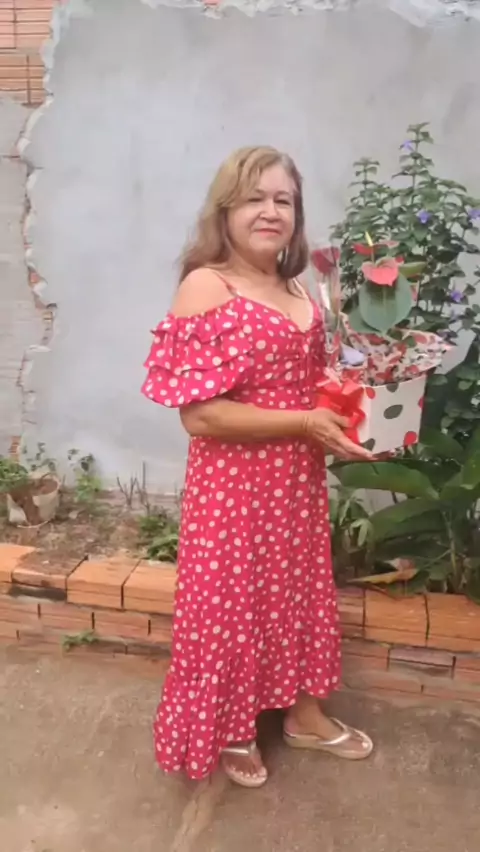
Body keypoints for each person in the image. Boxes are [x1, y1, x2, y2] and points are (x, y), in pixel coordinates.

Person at [141, 146, 374, 789]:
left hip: (295, 483)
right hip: (233, 490)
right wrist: (303, 423)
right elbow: (201, 416)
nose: (270, 212)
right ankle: (232, 728)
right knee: (230, 608)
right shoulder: (207, 285)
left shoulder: (300, 287)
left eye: (283, 200)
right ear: (225, 210)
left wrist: (359, 411)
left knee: (298, 595)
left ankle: (304, 714)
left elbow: (315, 385)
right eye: (254, 198)